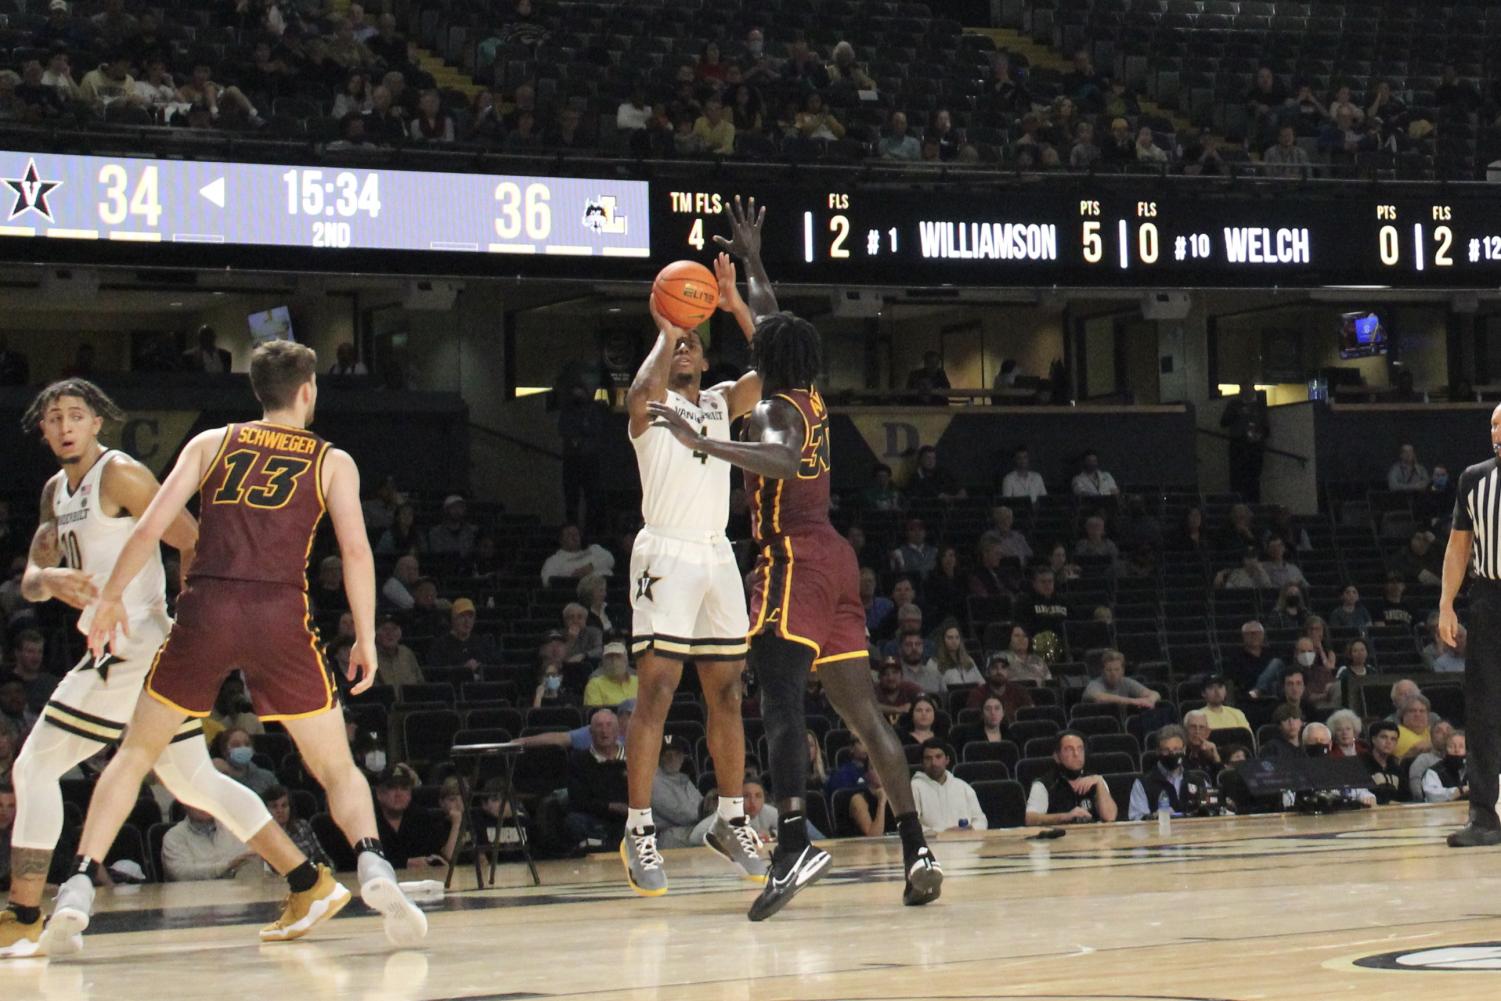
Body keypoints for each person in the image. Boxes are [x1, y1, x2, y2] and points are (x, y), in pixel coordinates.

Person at [41, 343, 426, 958]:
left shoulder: (209, 443)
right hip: (280, 612)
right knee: (334, 765)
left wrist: (111, 597)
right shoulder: (332, 459)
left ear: (256, 391)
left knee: (136, 753)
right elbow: (356, 553)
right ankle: (373, 864)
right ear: (306, 391)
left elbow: (150, 530)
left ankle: (81, 885)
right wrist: (363, 635)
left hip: (207, 608)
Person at [647, 196, 941, 919]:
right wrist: (750, 262)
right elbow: (772, 319)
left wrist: (703, 441)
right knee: (863, 716)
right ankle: (917, 850)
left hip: (795, 559)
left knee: (777, 699)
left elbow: (776, 461)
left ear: (767, 361)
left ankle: (793, 844)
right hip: (839, 559)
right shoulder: (806, 391)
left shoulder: (776, 411)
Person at [1, 379, 347, 960]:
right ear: (42, 428)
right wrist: (51, 579)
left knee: (34, 766)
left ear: (97, 423)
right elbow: (31, 580)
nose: (64, 426)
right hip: (121, 650)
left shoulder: (121, 475)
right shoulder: (54, 492)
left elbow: (193, 538)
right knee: (193, 781)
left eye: (75, 415)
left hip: (136, 648)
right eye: (54, 417)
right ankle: (307, 881)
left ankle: (24, 914)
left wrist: (187, 619)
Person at [616, 268, 767, 897]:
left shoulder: (719, 399)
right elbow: (637, 397)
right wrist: (669, 329)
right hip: (665, 553)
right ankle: (638, 829)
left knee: (728, 693)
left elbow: (775, 372)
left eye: (693, 344)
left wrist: (735, 307)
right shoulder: (652, 404)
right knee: (656, 691)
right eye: (679, 343)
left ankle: (731, 819)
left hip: (716, 556)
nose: (686, 350)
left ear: (706, 360)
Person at [564, 708, 630, 850]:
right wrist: (612, 807)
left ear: (618, 730)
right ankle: (608, 845)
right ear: (591, 732)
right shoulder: (578, 759)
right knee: (574, 821)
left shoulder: (633, 757)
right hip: (594, 818)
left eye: (609, 725)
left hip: (628, 819)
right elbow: (578, 800)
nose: (604, 731)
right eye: (599, 726)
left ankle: (606, 845)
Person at [1025, 731, 1118, 825]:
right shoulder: (1044, 784)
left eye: (1080, 749)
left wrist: (1100, 783)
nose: (1076, 754)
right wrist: (1065, 817)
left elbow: (1110, 817)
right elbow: (1030, 819)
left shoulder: (1096, 781)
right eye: (1069, 749)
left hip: (1094, 837)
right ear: (1057, 756)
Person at [161, 805, 255, 882]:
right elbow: (181, 874)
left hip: (236, 897)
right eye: (197, 800)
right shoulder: (173, 836)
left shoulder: (233, 829)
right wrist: (226, 866)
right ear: (185, 804)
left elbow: (248, 862)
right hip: (194, 898)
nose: (203, 805)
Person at [910, 740, 985, 833]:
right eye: (928, 758)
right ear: (922, 762)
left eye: (938, 757)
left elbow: (980, 820)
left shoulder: (963, 786)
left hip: (965, 844)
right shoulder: (914, 787)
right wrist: (942, 833)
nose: (934, 763)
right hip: (932, 844)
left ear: (947, 760)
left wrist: (972, 829)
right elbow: (910, 824)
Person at [1128, 725, 1195, 820]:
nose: (1172, 754)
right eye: (1166, 750)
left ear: (1184, 750)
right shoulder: (1143, 784)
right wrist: (1154, 817)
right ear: (1158, 751)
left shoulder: (1197, 780)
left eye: (1176, 749)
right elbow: (1136, 820)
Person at [263, 785, 332, 868]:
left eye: (284, 806)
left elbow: (321, 856)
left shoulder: (303, 827)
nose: (280, 811)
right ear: (266, 809)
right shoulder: (261, 837)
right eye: (274, 806)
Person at [1220, 387, 1269, 501]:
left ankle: (1252, 503)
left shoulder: (1259, 406)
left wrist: (1259, 435)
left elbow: (1266, 428)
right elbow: (1224, 422)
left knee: (1253, 479)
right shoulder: (1234, 405)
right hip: (1239, 446)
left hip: (1254, 446)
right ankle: (1239, 502)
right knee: (1238, 479)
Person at [1082, 651, 1160, 710]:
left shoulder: (1126, 682)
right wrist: (1134, 701)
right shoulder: (1094, 684)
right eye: (1109, 670)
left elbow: (1154, 693)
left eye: (1117, 669)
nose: (1113, 674)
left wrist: (1150, 701)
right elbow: (1100, 698)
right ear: (1102, 671)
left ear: (1123, 670)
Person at [540, 524, 616, 584]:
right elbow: (547, 581)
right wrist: (572, 578)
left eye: (576, 534)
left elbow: (610, 560)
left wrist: (591, 566)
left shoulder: (594, 548)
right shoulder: (554, 560)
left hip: (608, 587)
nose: (574, 537)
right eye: (569, 534)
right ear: (561, 540)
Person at [1360, 721, 1409, 804]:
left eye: (1393, 739)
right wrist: (1387, 802)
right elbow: (1358, 794)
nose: (1389, 742)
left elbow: (1407, 797)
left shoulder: (1397, 768)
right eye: (1384, 737)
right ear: (1373, 739)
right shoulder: (1360, 765)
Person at [583, 642, 639, 710]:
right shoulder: (594, 684)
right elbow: (595, 714)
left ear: (626, 660)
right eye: (609, 657)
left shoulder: (639, 682)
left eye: (618, 657)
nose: (613, 661)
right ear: (603, 662)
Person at [1422, 730, 1468, 804]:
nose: (1457, 750)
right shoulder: (1433, 772)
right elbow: (1432, 796)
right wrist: (1460, 791)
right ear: (1445, 750)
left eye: (1461, 746)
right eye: (1452, 746)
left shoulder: (1474, 770)